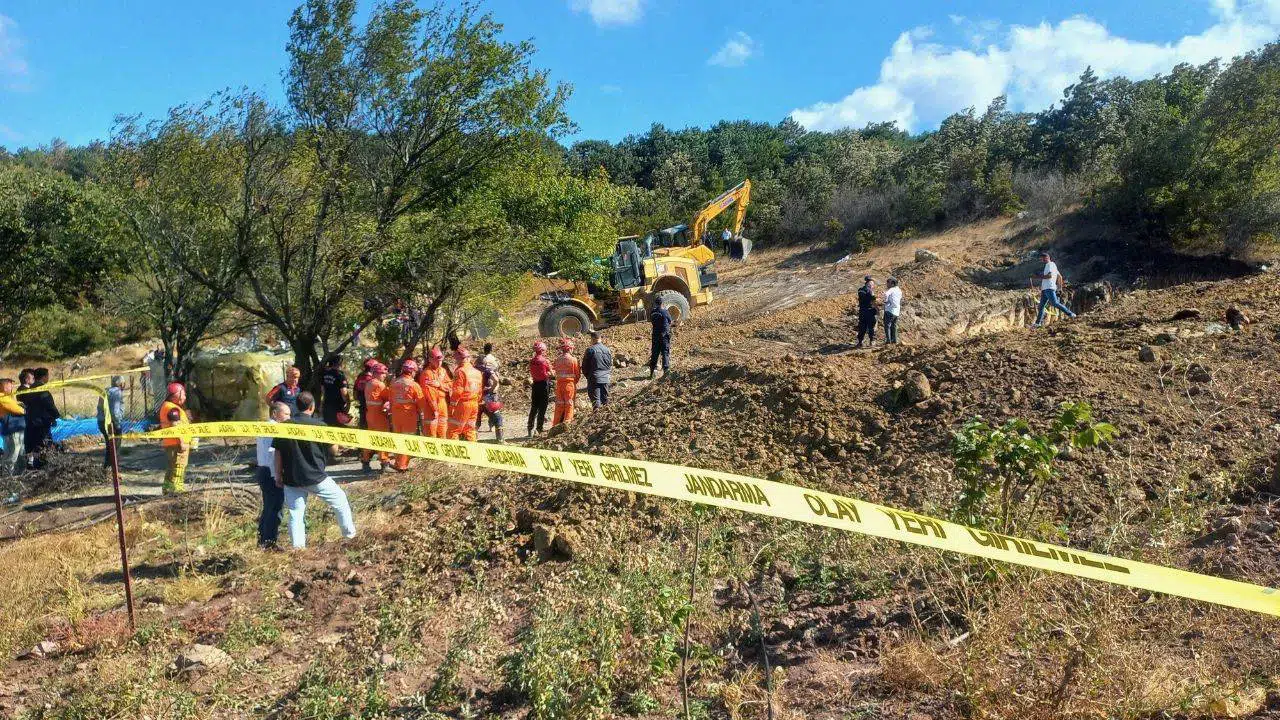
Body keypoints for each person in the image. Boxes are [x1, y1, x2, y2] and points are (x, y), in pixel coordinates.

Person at [272, 391, 356, 549]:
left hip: (291, 478)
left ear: (296, 406)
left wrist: (278, 475)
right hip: (315, 477)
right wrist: (337, 441)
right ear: (312, 407)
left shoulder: (284, 427)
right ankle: (350, 537)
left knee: (295, 513)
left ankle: (298, 549)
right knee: (340, 501)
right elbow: (333, 451)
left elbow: (278, 453)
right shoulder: (320, 426)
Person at [256, 402, 288, 548]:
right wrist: (277, 476)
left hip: (263, 470)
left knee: (268, 506)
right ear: (275, 413)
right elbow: (272, 454)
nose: (289, 417)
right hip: (270, 472)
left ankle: (263, 538)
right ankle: (269, 542)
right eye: (286, 414)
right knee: (275, 508)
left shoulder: (265, 427)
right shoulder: (274, 429)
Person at [389, 360, 426, 471]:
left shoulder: (394, 383)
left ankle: (397, 462)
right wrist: (422, 414)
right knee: (407, 439)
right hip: (408, 415)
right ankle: (402, 465)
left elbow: (390, 399)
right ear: (412, 372)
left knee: (398, 438)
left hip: (395, 415)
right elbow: (421, 402)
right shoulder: (413, 385)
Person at [21, 368, 59, 469]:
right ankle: (44, 468)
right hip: (42, 423)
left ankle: (36, 467)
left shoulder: (29, 390)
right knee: (44, 446)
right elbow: (49, 405)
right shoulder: (42, 390)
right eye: (47, 376)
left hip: (30, 423)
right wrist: (55, 416)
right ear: (44, 377)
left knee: (34, 447)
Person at [158, 382, 190, 495]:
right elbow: (175, 425)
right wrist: (182, 442)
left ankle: (167, 491)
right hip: (177, 444)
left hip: (170, 443)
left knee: (171, 469)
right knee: (178, 468)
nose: (185, 397)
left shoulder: (167, 406)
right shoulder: (172, 408)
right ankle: (176, 492)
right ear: (176, 394)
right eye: (184, 394)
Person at [1031, 250, 1076, 328]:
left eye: (1043, 258)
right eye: (1041, 259)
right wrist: (1059, 289)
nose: (1042, 260)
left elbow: (1049, 276)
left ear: (1047, 257)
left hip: (1049, 288)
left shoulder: (1050, 264)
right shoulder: (1052, 265)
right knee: (1041, 306)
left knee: (1055, 303)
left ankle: (1071, 314)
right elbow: (1060, 276)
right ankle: (1037, 323)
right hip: (1045, 289)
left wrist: (1037, 276)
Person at [360, 363, 391, 472]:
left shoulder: (369, 383)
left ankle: (365, 461)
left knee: (370, 438)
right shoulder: (379, 385)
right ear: (377, 373)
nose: (384, 376)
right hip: (379, 415)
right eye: (383, 374)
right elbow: (389, 396)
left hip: (370, 414)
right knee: (383, 438)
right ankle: (384, 462)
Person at [447, 349, 484, 441]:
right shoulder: (477, 372)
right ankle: (472, 452)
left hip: (463, 404)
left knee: (453, 430)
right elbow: (479, 391)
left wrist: (452, 405)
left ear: (458, 359)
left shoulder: (460, 371)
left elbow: (458, 390)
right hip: (474, 403)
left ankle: (454, 454)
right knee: (470, 429)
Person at [417, 347, 450, 439]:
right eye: (437, 360)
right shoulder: (426, 373)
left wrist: (439, 385)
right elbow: (428, 393)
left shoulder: (443, 371)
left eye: (441, 360)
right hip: (430, 406)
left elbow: (450, 386)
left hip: (442, 403)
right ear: (430, 360)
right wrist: (434, 409)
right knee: (431, 433)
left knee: (443, 432)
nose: (439, 362)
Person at [96, 376, 127, 467]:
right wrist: (117, 425)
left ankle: (107, 468)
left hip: (101, 421)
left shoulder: (105, 391)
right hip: (111, 423)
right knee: (115, 448)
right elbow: (115, 412)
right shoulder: (117, 392)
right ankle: (114, 470)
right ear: (121, 384)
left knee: (109, 446)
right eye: (124, 383)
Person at [552, 338, 581, 426]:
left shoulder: (557, 360)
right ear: (570, 348)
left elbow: (555, 372)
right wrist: (574, 383)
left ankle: (555, 424)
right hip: (569, 385)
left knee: (559, 404)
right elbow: (577, 374)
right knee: (569, 404)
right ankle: (567, 424)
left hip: (559, 385)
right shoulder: (573, 360)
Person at [0, 378, 26, 477]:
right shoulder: (3, 398)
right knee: (12, 454)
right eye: (9, 384)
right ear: (3, 386)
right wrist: (22, 407)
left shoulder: (8, 398)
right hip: (12, 430)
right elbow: (20, 410)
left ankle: (19, 475)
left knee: (20, 453)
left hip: (16, 429)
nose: (12, 386)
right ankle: (7, 478)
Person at [582, 331, 614, 409]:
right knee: (605, 400)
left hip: (594, 378)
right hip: (606, 378)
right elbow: (610, 364)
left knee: (596, 401)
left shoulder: (590, 350)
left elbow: (584, 366)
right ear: (600, 338)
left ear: (592, 339)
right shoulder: (607, 350)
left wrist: (587, 376)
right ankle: (606, 418)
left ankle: (597, 418)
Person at [527, 341, 552, 436]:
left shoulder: (532, 361)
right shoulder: (545, 361)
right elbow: (551, 373)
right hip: (544, 385)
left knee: (534, 407)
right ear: (542, 350)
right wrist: (550, 373)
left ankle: (530, 428)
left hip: (535, 384)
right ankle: (539, 428)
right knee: (542, 408)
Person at [479, 356, 505, 443]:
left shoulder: (474, 370)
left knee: (477, 419)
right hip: (488, 397)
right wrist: (491, 389)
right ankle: (500, 439)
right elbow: (496, 381)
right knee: (498, 418)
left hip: (477, 397)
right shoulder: (487, 371)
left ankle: (471, 439)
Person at [320, 355, 350, 427]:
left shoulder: (324, 373)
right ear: (339, 363)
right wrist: (348, 403)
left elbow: (323, 390)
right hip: (337, 407)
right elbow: (344, 392)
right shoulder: (340, 375)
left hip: (326, 405)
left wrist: (322, 404)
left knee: (327, 426)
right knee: (337, 427)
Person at [648, 298, 672, 379]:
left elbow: (652, 321)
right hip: (664, 335)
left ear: (655, 303)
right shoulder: (665, 312)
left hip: (655, 335)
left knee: (655, 353)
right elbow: (670, 321)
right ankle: (666, 371)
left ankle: (652, 373)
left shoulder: (652, 312)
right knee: (665, 352)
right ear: (662, 303)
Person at [353, 358, 379, 429]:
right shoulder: (373, 378)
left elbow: (355, 389)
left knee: (363, 421)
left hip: (362, 402)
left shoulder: (360, 375)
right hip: (371, 404)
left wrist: (357, 398)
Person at [855, 276, 878, 348]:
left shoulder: (860, 290)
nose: (873, 286)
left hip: (862, 311)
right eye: (872, 285)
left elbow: (862, 298)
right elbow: (873, 301)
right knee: (872, 327)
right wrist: (877, 309)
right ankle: (872, 341)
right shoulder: (870, 291)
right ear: (869, 284)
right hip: (870, 311)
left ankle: (860, 342)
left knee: (862, 327)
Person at [882, 277, 903, 345]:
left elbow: (885, 294)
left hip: (889, 310)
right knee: (894, 326)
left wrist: (885, 301)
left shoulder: (891, 289)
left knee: (887, 325)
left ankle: (888, 341)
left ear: (892, 283)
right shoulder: (899, 290)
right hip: (896, 311)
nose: (887, 284)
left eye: (888, 283)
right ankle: (894, 340)